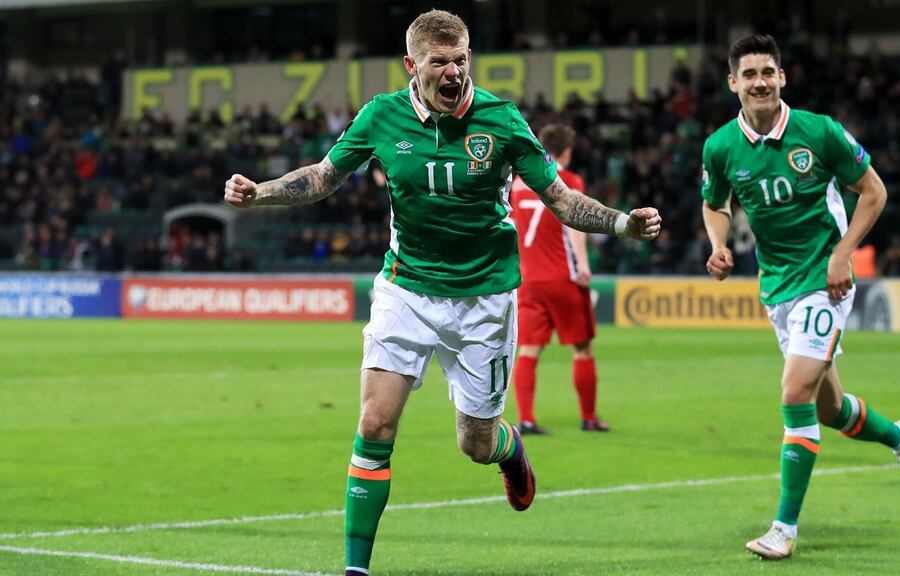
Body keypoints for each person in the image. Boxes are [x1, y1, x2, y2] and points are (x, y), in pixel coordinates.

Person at [223, 10, 661, 576]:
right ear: (413, 65)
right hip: (406, 287)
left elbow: (560, 198)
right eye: (440, 62)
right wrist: (259, 192)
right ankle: (356, 568)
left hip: (484, 298)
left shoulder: (502, 120)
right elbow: (323, 177)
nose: (454, 72)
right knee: (375, 424)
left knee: (474, 442)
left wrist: (624, 224)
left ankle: (509, 450)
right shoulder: (382, 116)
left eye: (461, 59)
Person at [700, 34, 900, 561]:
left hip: (826, 283)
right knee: (829, 410)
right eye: (749, 73)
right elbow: (715, 203)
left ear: (782, 78)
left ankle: (784, 528)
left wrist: (843, 253)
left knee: (794, 392)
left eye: (768, 72)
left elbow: (874, 192)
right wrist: (717, 245)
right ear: (733, 83)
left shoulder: (819, 131)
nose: (760, 81)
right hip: (776, 286)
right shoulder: (719, 146)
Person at [510, 124, 608, 435]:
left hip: (527, 279)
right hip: (562, 277)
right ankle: (588, 417)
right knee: (582, 348)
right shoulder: (569, 180)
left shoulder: (519, 183)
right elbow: (574, 225)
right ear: (567, 150)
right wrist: (583, 264)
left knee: (528, 350)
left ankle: (526, 419)